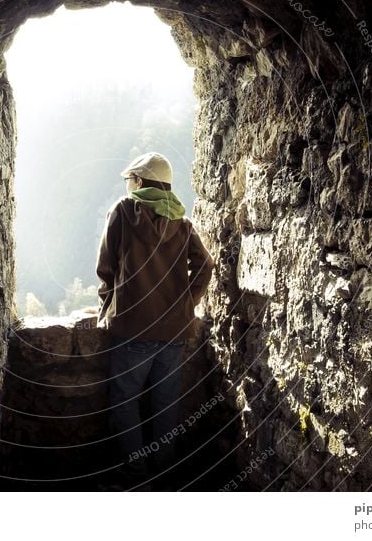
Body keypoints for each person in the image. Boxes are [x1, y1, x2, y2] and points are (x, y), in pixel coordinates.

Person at [95, 151, 215, 490]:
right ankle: (164, 474)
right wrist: (186, 305)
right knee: (165, 403)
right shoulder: (182, 221)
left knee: (124, 403)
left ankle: (136, 475)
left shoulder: (123, 212)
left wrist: (108, 306)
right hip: (174, 330)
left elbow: (106, 268)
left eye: (131, 179)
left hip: (132, 327)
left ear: (141, 181)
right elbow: (205, 266)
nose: (129, 185)